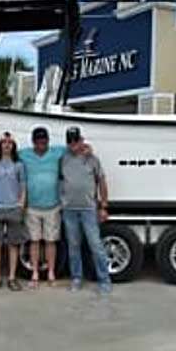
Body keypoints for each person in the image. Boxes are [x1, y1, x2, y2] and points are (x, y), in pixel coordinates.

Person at [59, 126, 112, 294]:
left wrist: (103, 206)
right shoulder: (63, 158)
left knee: (95, 245)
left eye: (76, 140)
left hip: (89, 209)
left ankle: (104, 279)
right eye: (70, 141)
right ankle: (76, 278)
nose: (73, 144)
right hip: (69, 210)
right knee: (73, 246)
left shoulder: (92, 159)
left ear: (82, 140)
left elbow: (102, 182)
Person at [19, 127, 68, 289]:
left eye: (44, 142)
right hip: (32, 206)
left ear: (48, 141)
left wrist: (86, 147)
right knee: (34, 241)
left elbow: (74, 147)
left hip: (52, 206)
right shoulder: (24, 154)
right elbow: (8, 154)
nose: (41, 145)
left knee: (50, 241)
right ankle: (34, 273)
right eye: (38, 142)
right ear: (33, 142)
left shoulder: (57, 152)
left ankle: (51, 272)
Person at [0, 131, 28, 292]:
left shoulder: (19, 165)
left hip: (13, 207)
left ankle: (12, 277)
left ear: (13, 146)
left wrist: (21, 204)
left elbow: (23, 186)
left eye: (10, 143)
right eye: (4, 142)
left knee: (13, 245)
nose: (7, 145)